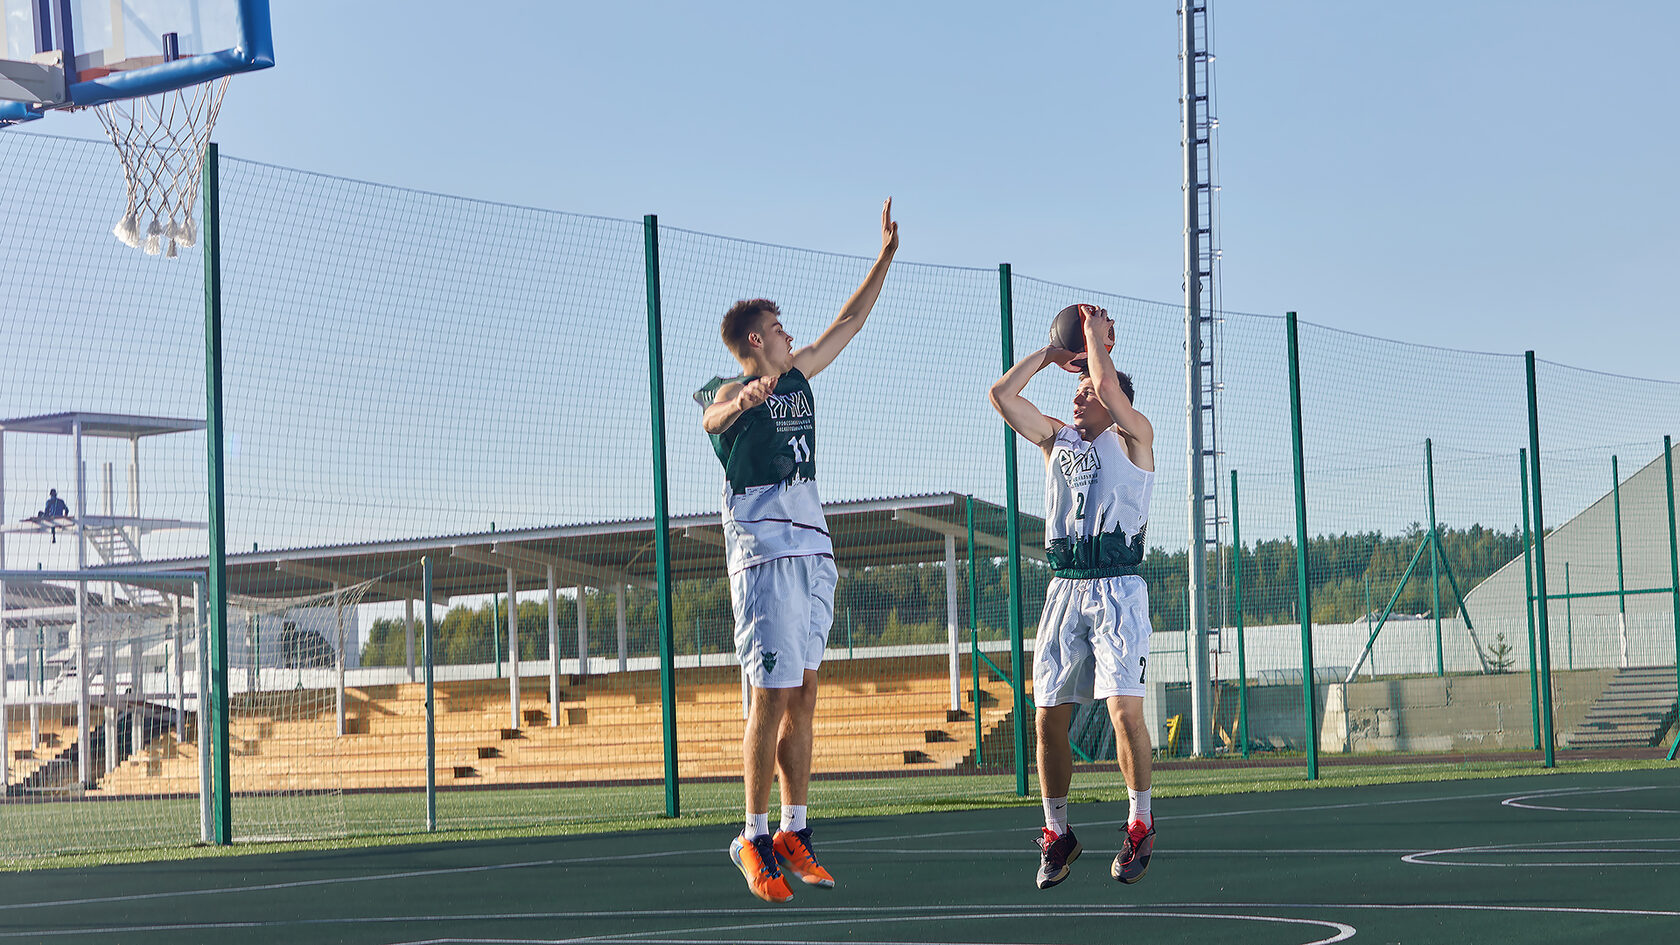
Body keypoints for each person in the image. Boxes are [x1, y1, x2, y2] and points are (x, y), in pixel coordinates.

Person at [698, 199, 898, 903]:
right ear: (757, 339)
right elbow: (709, 416)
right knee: (772, 694)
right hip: (765, 554)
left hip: (813, 549)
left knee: (806, 693)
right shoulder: (734, 389)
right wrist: (742, 401)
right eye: (779, 328)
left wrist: (883, 260)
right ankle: (751, 837)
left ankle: (794, 831)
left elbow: (849, 323)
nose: (791, 335)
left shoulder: (802, 374)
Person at [988, 305, 1158, 890]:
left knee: (1121, 711)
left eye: (1090, 389)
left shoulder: (1136, 436)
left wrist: (1094, 341)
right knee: (1046, 720)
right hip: (1064, 588)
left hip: (1117, 589)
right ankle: (1058, 833)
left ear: (1114, 404)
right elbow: (1002, 396)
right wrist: (1051, 356)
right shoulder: (1057, 442)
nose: (1082, 395)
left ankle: (1140, 823)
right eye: (1080, 388)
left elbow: (1109, 382)